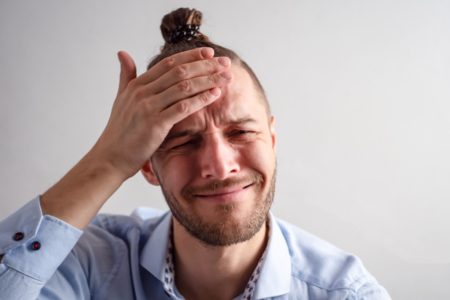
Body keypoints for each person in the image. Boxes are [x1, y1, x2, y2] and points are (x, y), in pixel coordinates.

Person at [0, 8, 391, 300]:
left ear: (272, 139)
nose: (219, 166)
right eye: (184, 142)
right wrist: (109, 159)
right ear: (147, 167)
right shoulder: (85, 263)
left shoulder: (344, 292)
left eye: (241, 131)